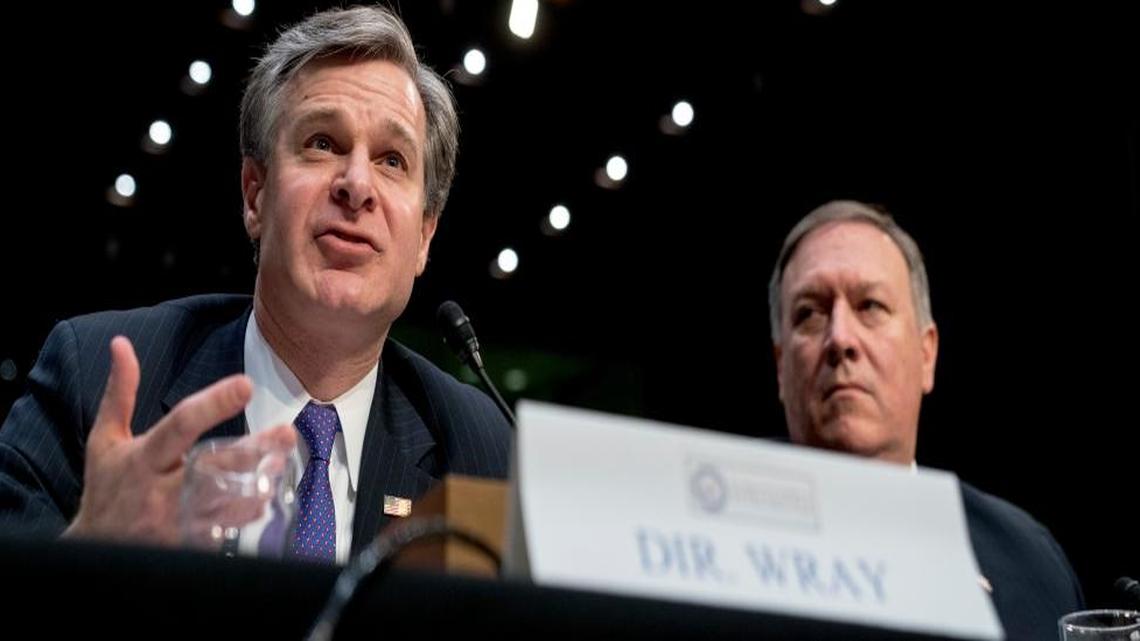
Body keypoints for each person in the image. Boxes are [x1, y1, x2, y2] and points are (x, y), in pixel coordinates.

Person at [0, 6, 511, 564]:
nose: (357, 184)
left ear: (424, 238)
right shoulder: (94, 380)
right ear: (254, 195)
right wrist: (88, 558)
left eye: (392, 160)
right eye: (322, 143)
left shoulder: (481, 447)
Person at [768, 199, 1084, 639]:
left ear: (926, 352)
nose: (840, 337)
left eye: (871, 305)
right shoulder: (711, 563)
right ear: (781, 368)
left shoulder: (1029, 561)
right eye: (810, 312)